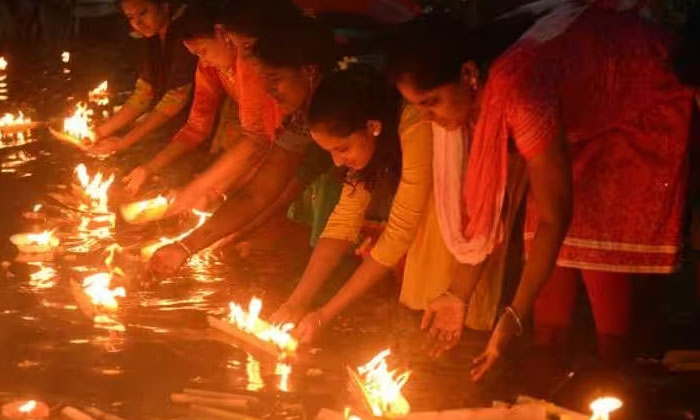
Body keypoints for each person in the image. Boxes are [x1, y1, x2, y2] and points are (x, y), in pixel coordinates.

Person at [385, 7, 694, 381]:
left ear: (468, 73)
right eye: (418, 106)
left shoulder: (519, 94)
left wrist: (512, 317)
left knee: (594, 247)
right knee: (551, 265)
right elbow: (493, 206)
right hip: (579, 121)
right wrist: (456, 295)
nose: (426, 118)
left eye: (430, 102)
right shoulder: (483, 98)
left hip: (638, 107)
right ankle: (551, 386)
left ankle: (618, 383)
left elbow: (555, 216)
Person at [147, 16, 337, 278]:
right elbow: (258, 193)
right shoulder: (301, 119)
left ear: (310, 71)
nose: (269, 92)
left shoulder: (346, 108)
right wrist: (184, 247)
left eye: (274, 79)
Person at [90, 0, 201, 155]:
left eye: (143, 13)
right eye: (130, 17)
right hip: (174, 125)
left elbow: (176, 97)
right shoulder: (152, 36)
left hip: (198, 127)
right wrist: (97, 133)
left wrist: (123, 143)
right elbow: (145, 91)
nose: (137, 23)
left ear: (164, 5)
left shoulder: (186, 33)